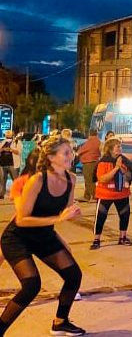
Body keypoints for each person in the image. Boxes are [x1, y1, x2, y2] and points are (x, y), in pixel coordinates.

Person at [0, 136, 85, 335]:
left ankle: (60, 322)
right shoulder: (38, 180)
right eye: (65, 152)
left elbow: (65, 212)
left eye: (71, 151)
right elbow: (21, 219)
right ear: (51, 157)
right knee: (31, 284)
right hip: (18, 237)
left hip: (44, 235)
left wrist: (72, 215)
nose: (71, 155)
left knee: (73, 275)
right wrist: (58, 219)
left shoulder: (71, 179)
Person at [90, 138, 132, 250]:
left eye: (120, 146)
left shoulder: (124, 160)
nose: (120, 149)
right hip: (105, 194)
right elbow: (102, 179)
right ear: (110, 149)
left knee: (124, 215)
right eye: (117, 147)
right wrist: (116, 168)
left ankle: (123, 237)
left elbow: (130, 175)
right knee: (101, 217)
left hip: (122, 194)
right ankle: (96, 239)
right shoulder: (103, 162)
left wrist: (124, 170)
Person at [76, 128, 101, 202]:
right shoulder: (98, 141)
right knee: (89, 179)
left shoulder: (91, 141)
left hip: (89, 162)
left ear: (89, 134)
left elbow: (81, 150)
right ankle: (86, 196)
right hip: (95, 161)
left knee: (89, 180)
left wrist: (78, 153)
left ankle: (95, 196)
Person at [0, 130, 20, 199]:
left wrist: (10, 150)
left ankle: (17, 193)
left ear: (12, 135)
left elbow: (19, 152)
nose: (8, 136)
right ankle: (1, 194)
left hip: (13, 164)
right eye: (7, 135)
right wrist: (2, 149)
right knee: (2, 180)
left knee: (15, 180)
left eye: (9, 135)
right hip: (3, 164)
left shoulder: (17, 142)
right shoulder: (2, 142)